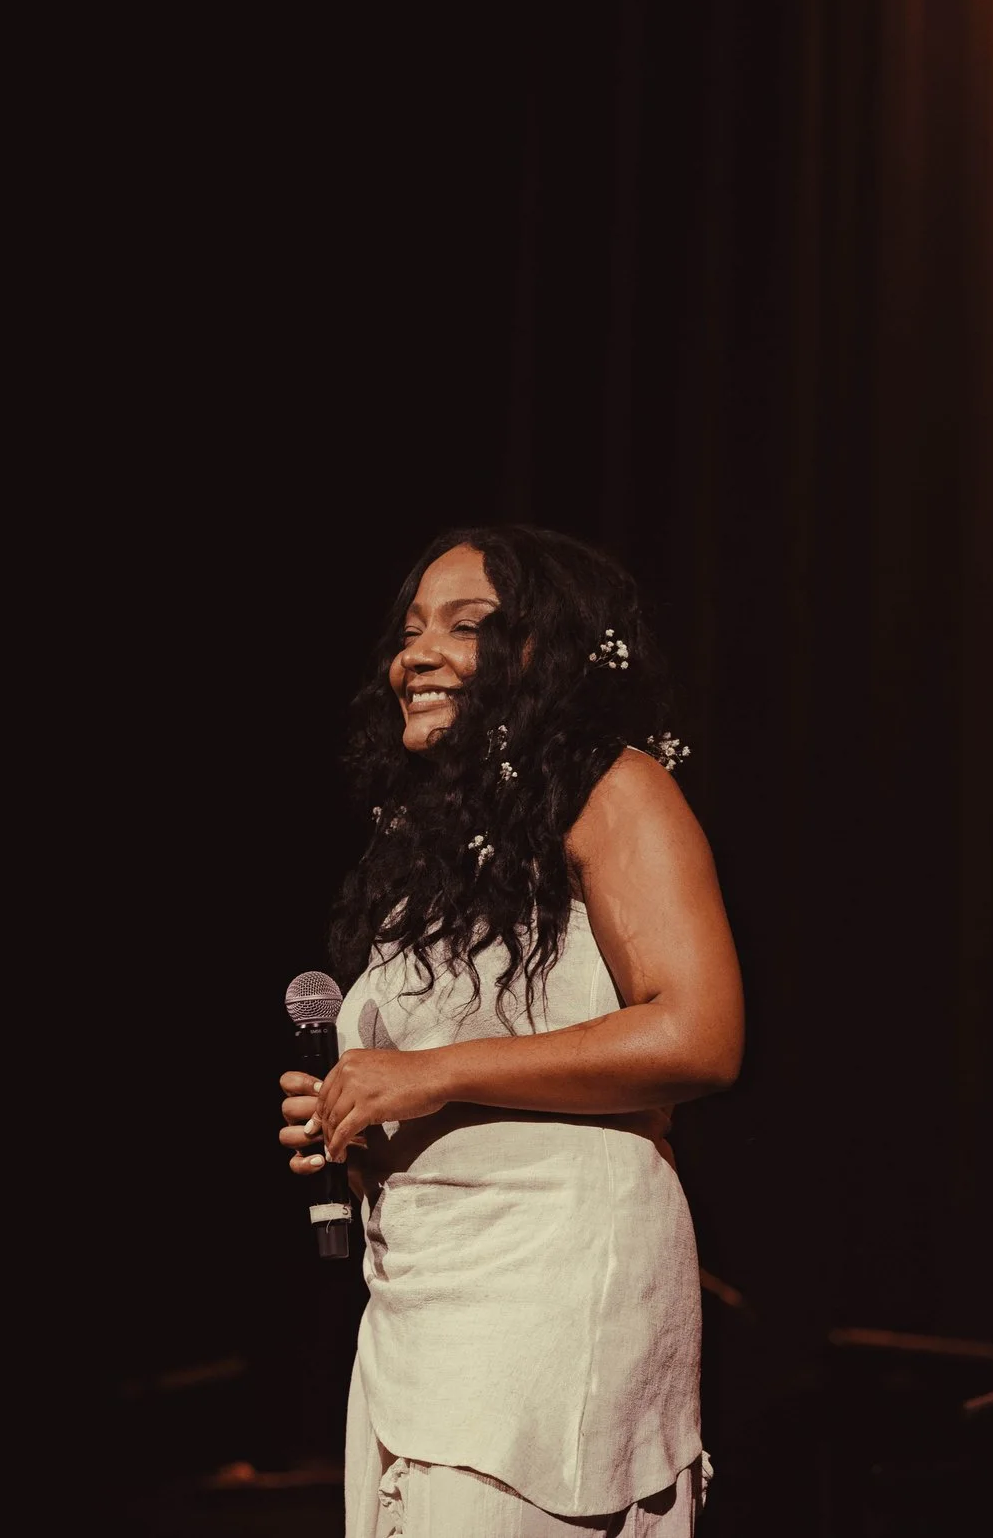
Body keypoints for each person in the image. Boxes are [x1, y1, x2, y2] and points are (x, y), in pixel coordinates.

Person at [278, 526, 744, 1537]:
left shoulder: (614, 790)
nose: (417, 653)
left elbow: (699, 1035)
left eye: (466, 625)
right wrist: (360, 1123)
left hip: (549, 1286)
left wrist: (429, 1076)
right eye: (409, 631)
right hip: (424, 1301)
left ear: (547, 652)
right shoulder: (435, 853)